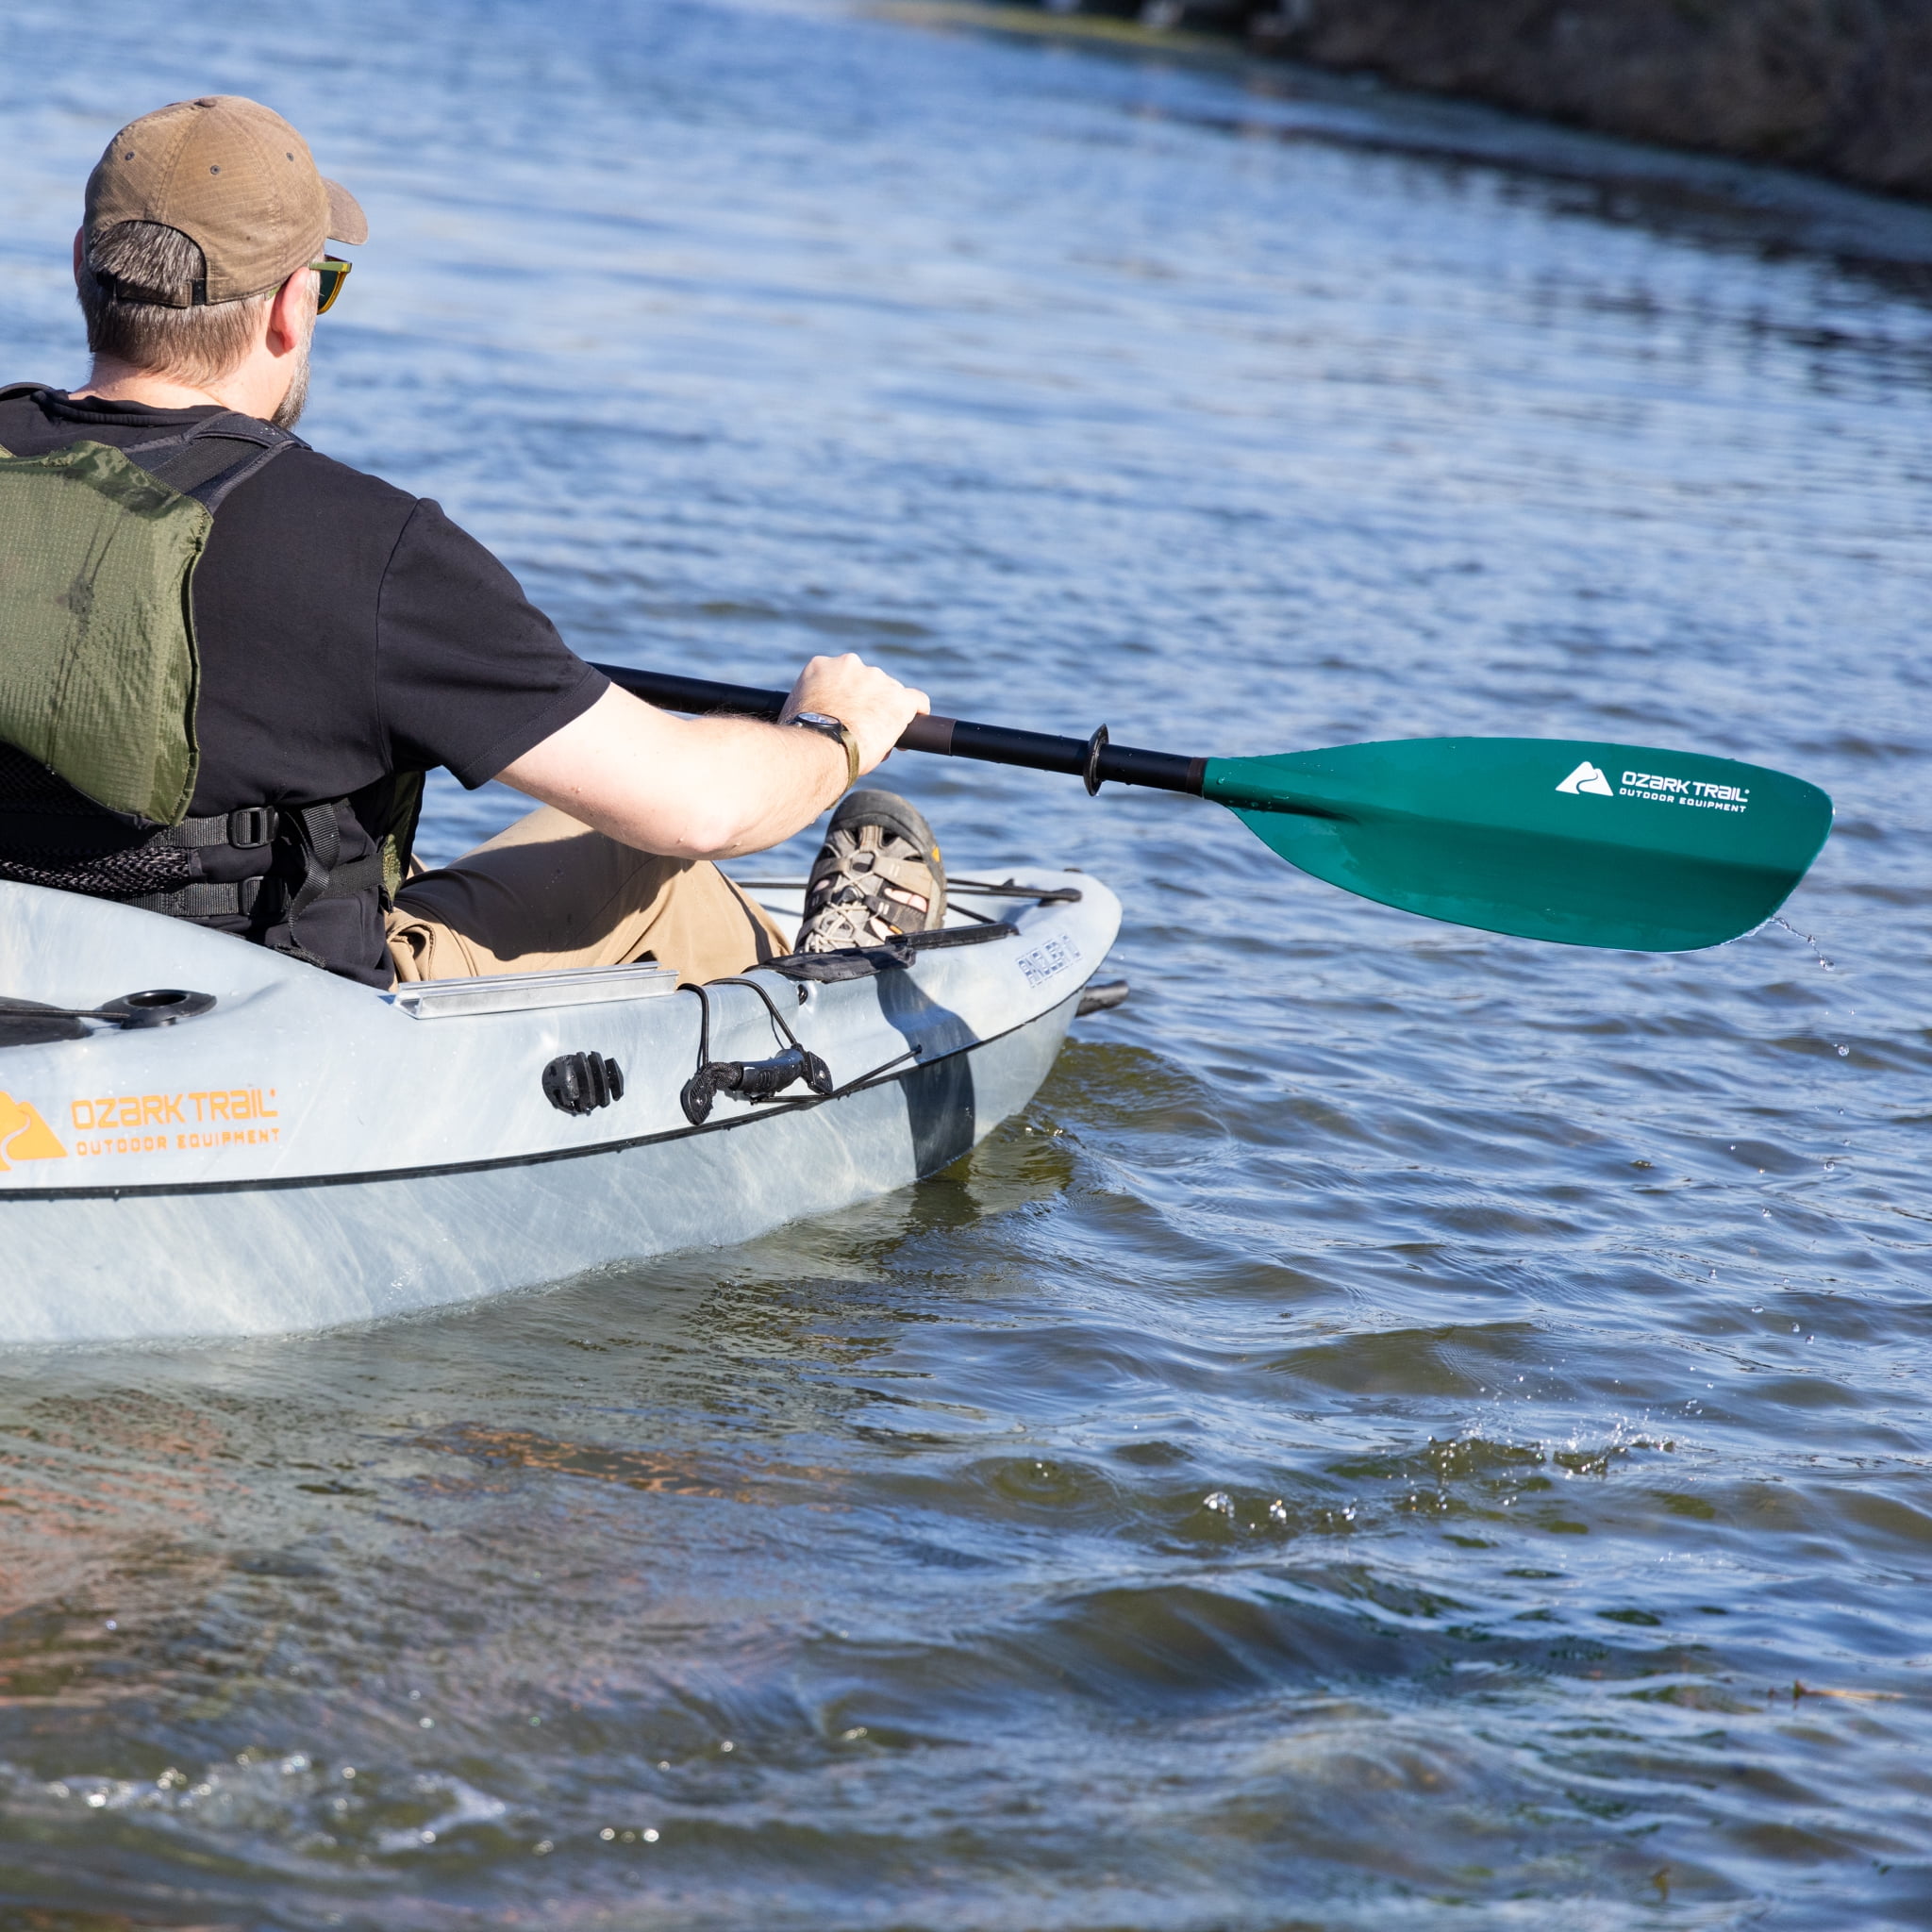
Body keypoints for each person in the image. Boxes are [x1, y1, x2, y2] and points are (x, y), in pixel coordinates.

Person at [0, 93, 948, 991]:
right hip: (271, 1025)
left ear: (83, 264)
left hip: (30, 978)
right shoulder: (368, 547)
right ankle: (833, 982)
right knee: (656, 863)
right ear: (292, 304)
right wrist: (832, 734)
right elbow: (698, 806)